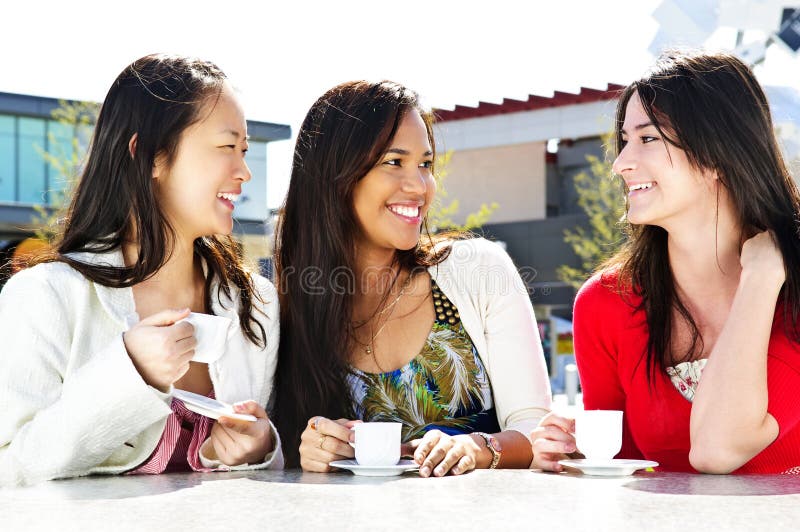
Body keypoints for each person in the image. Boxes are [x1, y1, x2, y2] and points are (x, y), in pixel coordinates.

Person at [0, 54, 282, 487]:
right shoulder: (43, 297)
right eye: (227, 147)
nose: (243, 171)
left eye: (245, 150)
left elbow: (274, 479)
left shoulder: (255, 303)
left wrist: (261, 449)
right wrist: (129, 374)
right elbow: (10, 471)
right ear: (149, 155)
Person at [530, 50, 800, 474]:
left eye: (648, 138)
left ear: (716, 153)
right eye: (624, 141)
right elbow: (627, 475)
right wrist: (578, 451)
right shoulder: (605, 303)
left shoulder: (793, 289)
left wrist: (762, 281)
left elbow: (718, 450)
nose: (620, 163)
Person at [272, 80, 551, 476]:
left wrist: (476, 448)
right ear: (334, 176)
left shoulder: (478, 270)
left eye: (425, 164)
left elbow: (538, 431)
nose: (419, 186)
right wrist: (314, 449)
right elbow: (269, 451)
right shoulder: (294, 305)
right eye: (394, 162)